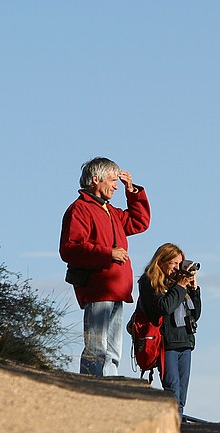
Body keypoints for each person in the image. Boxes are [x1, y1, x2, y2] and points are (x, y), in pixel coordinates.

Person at [60, 157, 151, 376]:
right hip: (97, 289)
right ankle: (93, 385)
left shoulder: (110, 211)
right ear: (95, 180)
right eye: (112, 180)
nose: (116, 186)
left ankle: (109, 387)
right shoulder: (80, 209)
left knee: (112, 349)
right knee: (97, 347)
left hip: (117, 289)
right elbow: (70, 248)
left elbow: (140, 222)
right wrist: (108, 253)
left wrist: (133, 191)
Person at [137, 243, 202, 419]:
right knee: (172, 391)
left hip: (185, 341)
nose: (176, 268)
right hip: (166, 343)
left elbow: (195, 314)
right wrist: (180, 287)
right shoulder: (149, 281)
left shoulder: (179, 283)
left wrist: (194, 290)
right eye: (173, 263)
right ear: (161, 261)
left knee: (181, 396)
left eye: (179, 264)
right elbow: (164, 307)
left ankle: (177, 431)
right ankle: (171, 430)